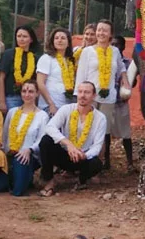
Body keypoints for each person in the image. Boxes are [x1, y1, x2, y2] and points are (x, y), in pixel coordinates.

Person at [75, 19, 130, 170]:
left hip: (108, 97)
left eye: (105, 30)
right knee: (85, 128)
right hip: (89, 97)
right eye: (99, 29)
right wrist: (80, 95)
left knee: (103, 130)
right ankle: (81, 162)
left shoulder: (115, 51)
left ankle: (98, 164)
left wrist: (125, 83)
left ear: (111, 34)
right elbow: (81, 74)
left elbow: (121, 69)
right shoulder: (88, 52)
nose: (101, 33)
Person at [38, 82, 107, 195]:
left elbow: (97, 146)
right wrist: (68, 144)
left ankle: (81, 181)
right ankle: (49, 181)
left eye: (87, 92)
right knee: (46, 141)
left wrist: (83, 155)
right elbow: (50, 127)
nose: (82, 95)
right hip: (65, 154)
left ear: (94, 96)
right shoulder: (67, 109)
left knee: (96, 163)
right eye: (80, 92)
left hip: (83, 158)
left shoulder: (100, 118)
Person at [4, 80, 48, 196]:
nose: (27, 94)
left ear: (37, 93)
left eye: (31, 91)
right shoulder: (12, 112)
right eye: (24, 91)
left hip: (28, 155)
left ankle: (24, 178)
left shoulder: (42, 116)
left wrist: (29, 150)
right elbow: (5, 135)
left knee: (17, 191)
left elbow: (41, 140)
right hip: (11, 154)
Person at [0, 26, 39, 114]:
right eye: (19, 36)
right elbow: (1, 78)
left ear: (31, 39)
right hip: (11, 98)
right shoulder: (8, 54)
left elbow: (35, 81)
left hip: (29, 98)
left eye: (24, 36)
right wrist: (2, 101)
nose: (21, 39)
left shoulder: (34, 58)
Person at [36, 27, 76, 116]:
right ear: (52, 42)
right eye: (56, 38)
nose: (59, 40)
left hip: (66, 106)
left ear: (68, 43)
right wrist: (51, 104)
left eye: (63, 38)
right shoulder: (47, 58)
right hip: (50, 106)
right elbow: (40, 83)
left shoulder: (70, 61)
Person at [111, 35, 134, 171]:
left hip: (121, 103)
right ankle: (106, 162)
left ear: (123, 47)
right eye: (112, 44)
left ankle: (130, 163)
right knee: (106, 134)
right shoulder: (106, 60)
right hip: (107, 103)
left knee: (126, 134)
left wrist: (129, 82)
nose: (115, 47)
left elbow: (133, 82)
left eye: (117, 44)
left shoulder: (128, 63)